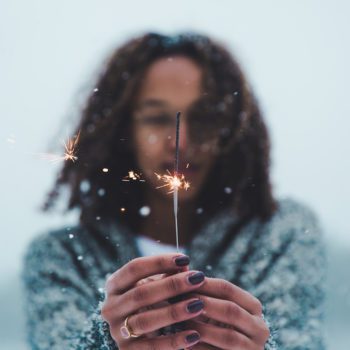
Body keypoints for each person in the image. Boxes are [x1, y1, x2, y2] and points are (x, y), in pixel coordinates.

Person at [22, 32, 325, 349]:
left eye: (203, 118)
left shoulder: (281, 233)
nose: (180, 143)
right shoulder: (62, 257)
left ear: (231, 129)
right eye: (156, 118)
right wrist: (103, 343)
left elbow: (301, 340)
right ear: (123, 130)